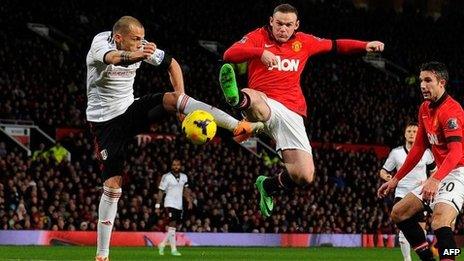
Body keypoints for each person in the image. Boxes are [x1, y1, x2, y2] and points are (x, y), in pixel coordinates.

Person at [87, 16, 263, 261]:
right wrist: (140, 55)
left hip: (130, 109)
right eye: (135, 39)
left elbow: (173, 64)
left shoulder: (142, 47)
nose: (141, 43)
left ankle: (238, 126)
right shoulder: (101, 43)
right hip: (105, 122)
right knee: (112, 186)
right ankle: (102, 255)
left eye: (142, 38)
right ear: (118, 38)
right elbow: (113, 58)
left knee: (173, 99)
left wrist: (181, 103)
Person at [219, 3, 384, 217]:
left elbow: (335, 45)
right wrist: (259, 52)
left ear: (296, 25)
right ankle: (236, 99)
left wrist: (364, 45)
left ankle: (268, 186)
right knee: (255, 101)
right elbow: (229, 54)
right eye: (278, 23)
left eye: (288, 25)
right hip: (264, 102)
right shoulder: (258, 37)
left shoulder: (304, 42)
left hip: (292, 113)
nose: (283, 29)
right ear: (271, 21)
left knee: (304, 175)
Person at [378, 62, 464, 261]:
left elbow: (456, 151)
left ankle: (449, 258)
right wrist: (395, 180)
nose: (423, 85)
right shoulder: (424, 108)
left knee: (440, 221)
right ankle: (428, 259)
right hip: (442, 172)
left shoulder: (451, 111)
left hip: (459, 171)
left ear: (441, 83)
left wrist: (435, 179)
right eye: (421, 81)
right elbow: (418, 148)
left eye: (428, 80)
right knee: (399, 213)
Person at [379, 123, 437, 261]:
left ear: (419, 134)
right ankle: (407, 259)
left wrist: (429, 181)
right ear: (405, 134)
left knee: (421, 230)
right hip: (402, 194)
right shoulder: (396, 153)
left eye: (415, 131)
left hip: (420, 195)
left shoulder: (427, 153)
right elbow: (383, 171)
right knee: (403, 228)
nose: (412, 133)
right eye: (409, 131)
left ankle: (424, 257)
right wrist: (389, 178)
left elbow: (434, 171)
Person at [155, 159, 192, 256]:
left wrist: (189, 200)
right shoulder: (166, 177)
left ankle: (162, 244)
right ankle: (173, 249)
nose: (176, 166)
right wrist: (157, 205)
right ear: (171, 166)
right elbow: (161, 191)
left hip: (179, 205)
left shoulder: (184, 177)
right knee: (172, 224)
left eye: (178, 165)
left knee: (173, 227)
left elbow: (186, 189)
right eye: (174, 165)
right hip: (169, 203)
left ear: (180, 166)